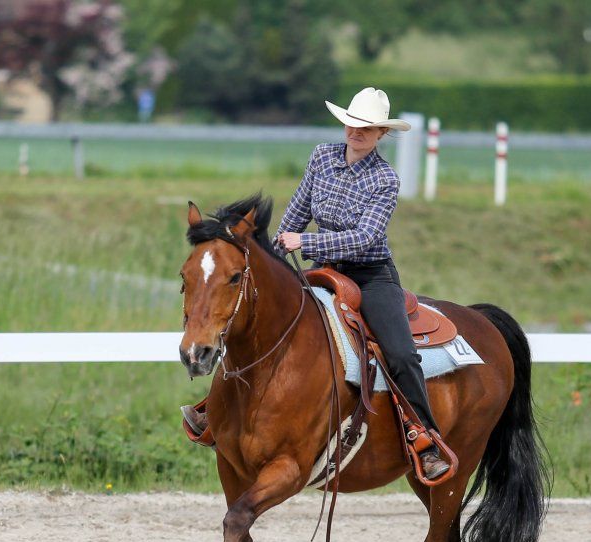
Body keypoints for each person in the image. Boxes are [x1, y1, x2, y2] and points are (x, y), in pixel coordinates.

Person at [183, 87, 449, 480]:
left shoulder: (385, 179)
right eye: (352, 124)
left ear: (381, 134)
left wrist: (305, 241)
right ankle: (216, 409)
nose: (356, 132)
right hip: (322, 268)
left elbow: (365, 237)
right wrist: (272, 253)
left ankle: (423, 436)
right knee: (259, 320)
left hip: (369, 275)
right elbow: (297, 209)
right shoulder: (322, 157)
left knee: (401, 353)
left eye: (367, 128)